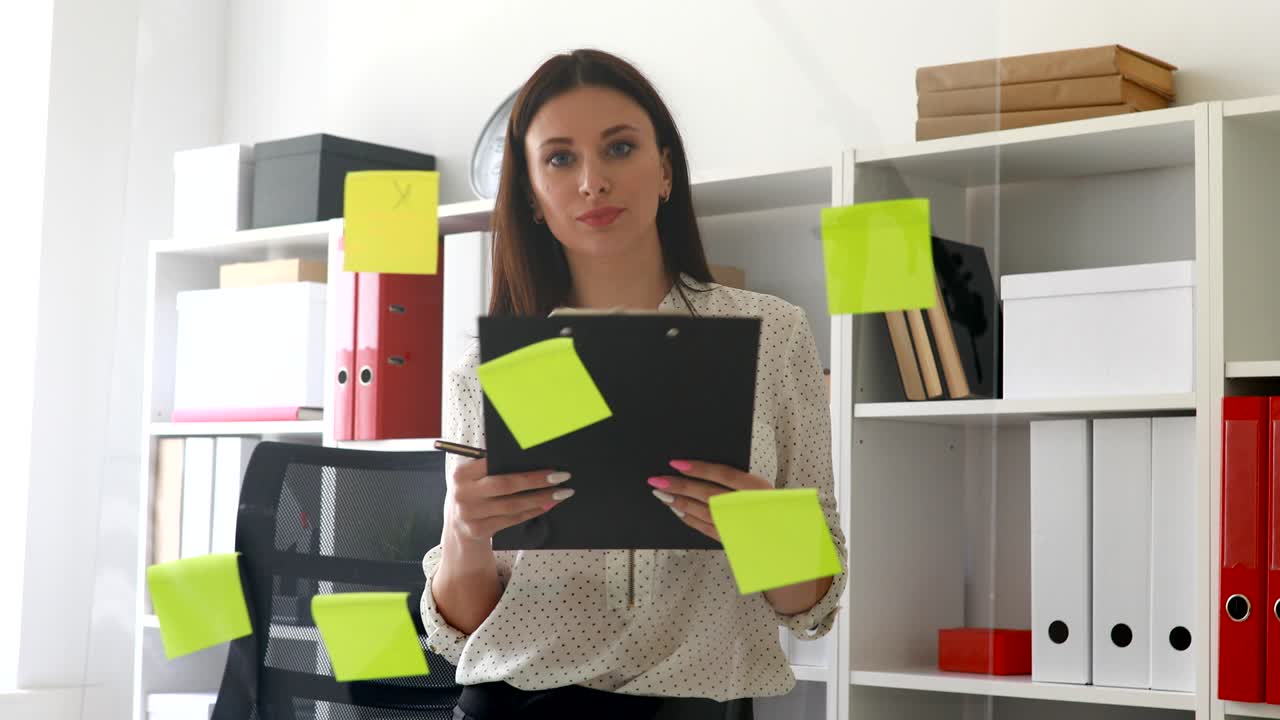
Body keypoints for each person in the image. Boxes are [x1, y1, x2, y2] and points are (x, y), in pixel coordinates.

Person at [421, 48, 847, 720]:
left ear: (666, 170)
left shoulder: (773, 335)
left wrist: (764, 529)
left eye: (619, 148)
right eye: (560, 158)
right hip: (518, 704)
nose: (593, 181)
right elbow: (459, 631)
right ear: (531, 192)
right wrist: (463, 532)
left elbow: (813, 607)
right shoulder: (490, 367)